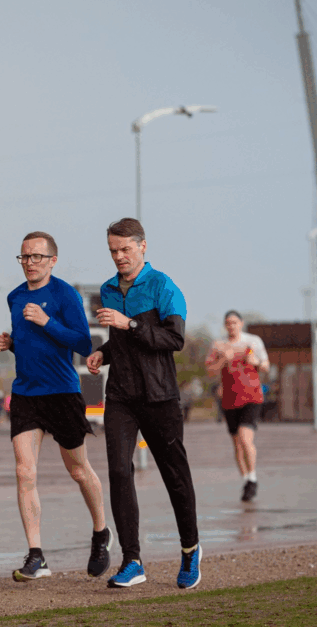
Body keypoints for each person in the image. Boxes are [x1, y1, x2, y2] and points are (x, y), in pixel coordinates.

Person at [85, 218, 202, 590]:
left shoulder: (163, 286)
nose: (119, 256)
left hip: (160, 396)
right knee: (119, 473)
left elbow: (174, 339)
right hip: (120, 396)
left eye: (125, 249)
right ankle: (132, 560)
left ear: (143, 246)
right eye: (113, 250)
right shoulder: (107, 289)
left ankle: (190, 549)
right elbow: (120, 342)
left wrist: (128, 324)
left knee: (174, 477)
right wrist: (103, 353)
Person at [0, 231, 111, 583]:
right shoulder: (15, 297)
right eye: (25, 257)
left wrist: (47, 321)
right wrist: (9, 342)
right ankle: (36, 555)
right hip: (27, 394)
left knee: (78, 470)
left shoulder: (65, 294)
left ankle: (101, 532)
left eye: (37, 257)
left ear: (53, 260)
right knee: (24, 472)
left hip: (62, 393)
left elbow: (82, 342)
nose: (30, 263)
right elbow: (29, 344)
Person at [205, 310, 269, 503]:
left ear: (241, 323)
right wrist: (224, 359)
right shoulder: (218, 345)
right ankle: (247, 480)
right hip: (230, 399)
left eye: (235, 322)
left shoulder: (253, 342)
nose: (231, 326)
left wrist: (255, 362)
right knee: (237, 445)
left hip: (251, 396)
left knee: (244, 437)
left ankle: (253, 478)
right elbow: (209, 371)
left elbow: (266, 365)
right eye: (228, 323)